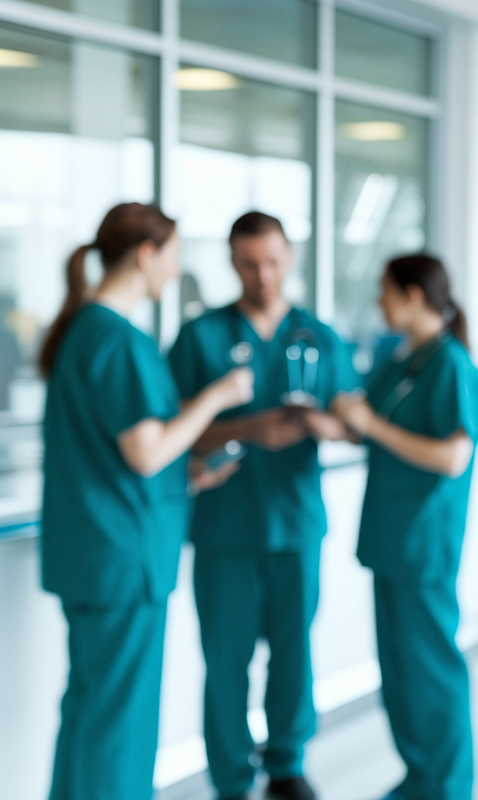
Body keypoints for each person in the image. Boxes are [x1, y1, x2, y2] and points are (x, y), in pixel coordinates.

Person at [39, 203, 253, 800]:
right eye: (176, 255)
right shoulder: (117, 338)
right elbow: (144, 451)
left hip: (97, 553)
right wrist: (216, 397)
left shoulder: (86, 331)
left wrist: (185, 481)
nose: (176, 270)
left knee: (90, 710)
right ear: (146, 254)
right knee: (119, 724)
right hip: (122, 561)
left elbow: (116, 457)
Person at [167, 211, 356, 800]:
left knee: (293, 653)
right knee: (226, 660)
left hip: (296, 523)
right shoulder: (202, 336)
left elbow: (352, 421)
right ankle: (229, 777)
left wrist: (322, 424)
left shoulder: (318, 336)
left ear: (289, 258)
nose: (262, 275)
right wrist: (247, 426)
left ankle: (286, 764)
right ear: (231, 261)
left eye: (272, 261)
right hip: (226, 529)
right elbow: (169, 431)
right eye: (249, 263)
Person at [329, 254, 478, 800]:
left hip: (424, 541)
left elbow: (452, 456)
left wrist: (369, 423)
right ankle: (421, 780)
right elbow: (366, 423)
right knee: (399, 674)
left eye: (386, 291)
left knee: (430, 673)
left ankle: (447, 787)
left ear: (415, 295)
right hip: (391, 540)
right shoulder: (403, 360)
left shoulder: (450, 364)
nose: (379, 302)